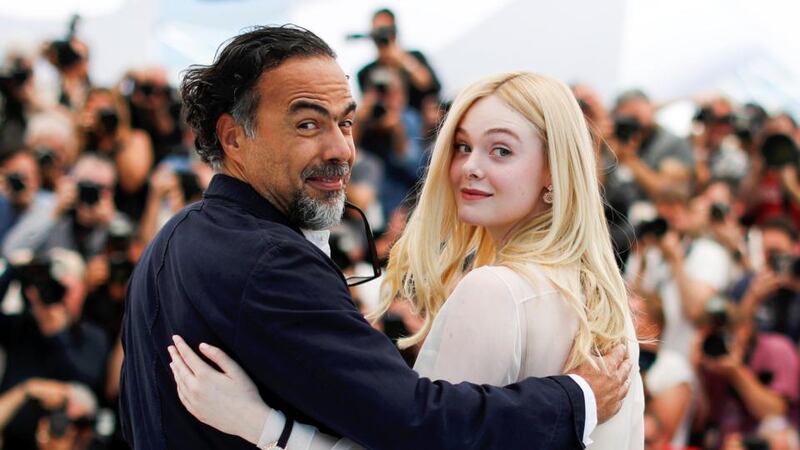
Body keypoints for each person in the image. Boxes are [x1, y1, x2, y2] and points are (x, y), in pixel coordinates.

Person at [120, 26, 632, 450]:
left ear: (555, 170)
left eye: (345, 122)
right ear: (234, 137)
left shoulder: (171, 241)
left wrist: (266, 428)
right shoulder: (268, 259)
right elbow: (418, 424)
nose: (341, 147)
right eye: (307, 124)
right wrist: (577, 398)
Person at [356, 8, 440, 113]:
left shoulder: (415, 57)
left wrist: (402, 60)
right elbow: (368, 107)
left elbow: (429, 85)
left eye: (386, 30)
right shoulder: (365, 72)